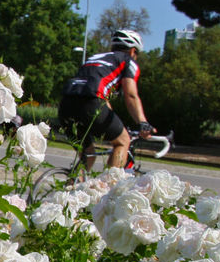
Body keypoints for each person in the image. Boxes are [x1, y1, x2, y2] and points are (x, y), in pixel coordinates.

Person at [59, 29, 156, 169]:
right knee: (123, 141)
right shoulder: (127, 60)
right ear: (132, 51)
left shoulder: (95, 58)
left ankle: (71, 186)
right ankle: (107, 187)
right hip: (91, 103)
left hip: (65, 105)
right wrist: (143, 122)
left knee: (88, 155)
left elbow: (102, 98)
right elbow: (131, 95)